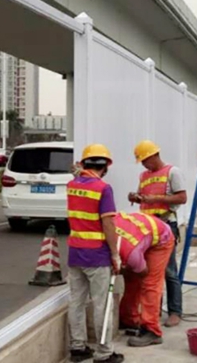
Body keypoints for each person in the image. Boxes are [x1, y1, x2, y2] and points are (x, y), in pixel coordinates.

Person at [67, 144, 124, 363]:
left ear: (84, 163)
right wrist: (115, 254)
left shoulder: (72, 185)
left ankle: (77, 348)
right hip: (97, 255)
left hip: (75, 253)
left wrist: (78, 171)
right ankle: (104, 353)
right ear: (106, 166)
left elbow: (79, 180)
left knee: (76, 301)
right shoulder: (103, 188)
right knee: (102, 304)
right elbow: (108, 223)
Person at [128, 140, 187, 328]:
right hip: (147, 228)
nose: (145, 164)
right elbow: (143, 197)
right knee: (151, 273)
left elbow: (182, 197)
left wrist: (157, 198)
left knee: (169, 271)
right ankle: (153, 310)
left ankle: (175, 311)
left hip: (165, 225)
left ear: (155, 156)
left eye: (146, 160)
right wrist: (135, 197)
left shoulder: (172, 172)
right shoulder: (143, 175)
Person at [109, 212, 174, 347]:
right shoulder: (106, 228)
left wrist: (121, 269)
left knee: (149, 283)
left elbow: (142, 272)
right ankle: (128, 319)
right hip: (143, 234)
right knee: (131, 279)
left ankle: (152, 331)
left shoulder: (130, 253)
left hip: (162, 239)